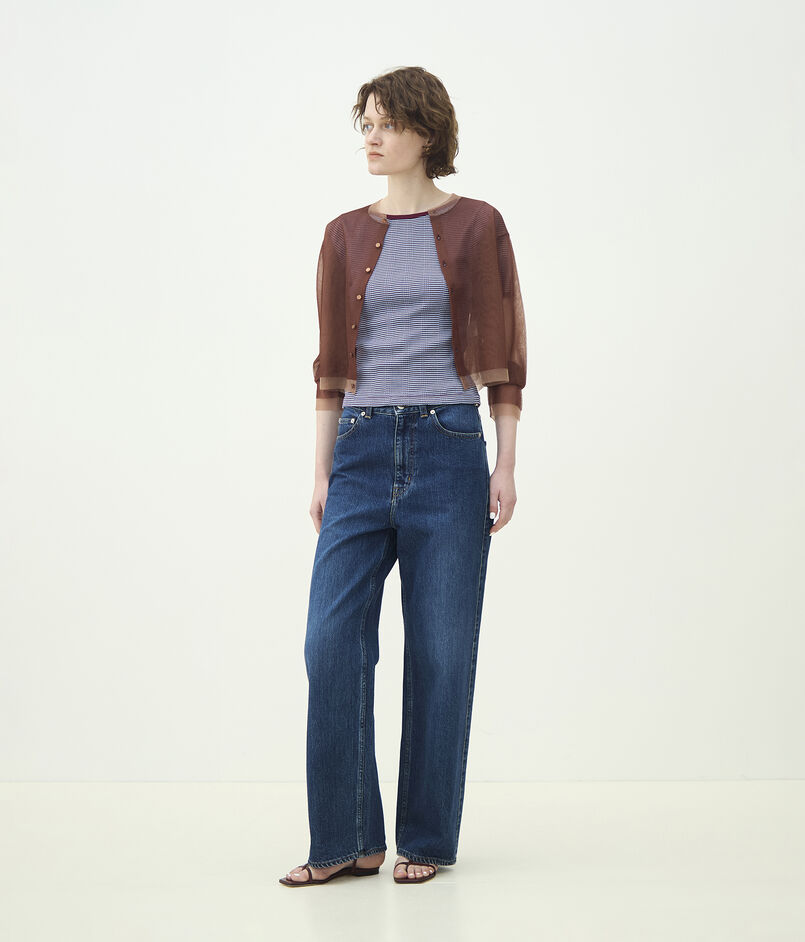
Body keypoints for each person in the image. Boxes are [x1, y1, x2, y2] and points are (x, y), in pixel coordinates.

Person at [280, 66, 526, 887]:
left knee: (440, 651)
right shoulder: (342, 235)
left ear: (426, 132)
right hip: (357, 449)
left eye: (387, 123)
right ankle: (347, 838)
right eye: (366, 123)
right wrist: (322, 469)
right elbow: (329, 366)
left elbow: (504, 355)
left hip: (448, 447)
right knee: (329, 641)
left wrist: (505, 461)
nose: (372, 137)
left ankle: (425, 838)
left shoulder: (478, 225)